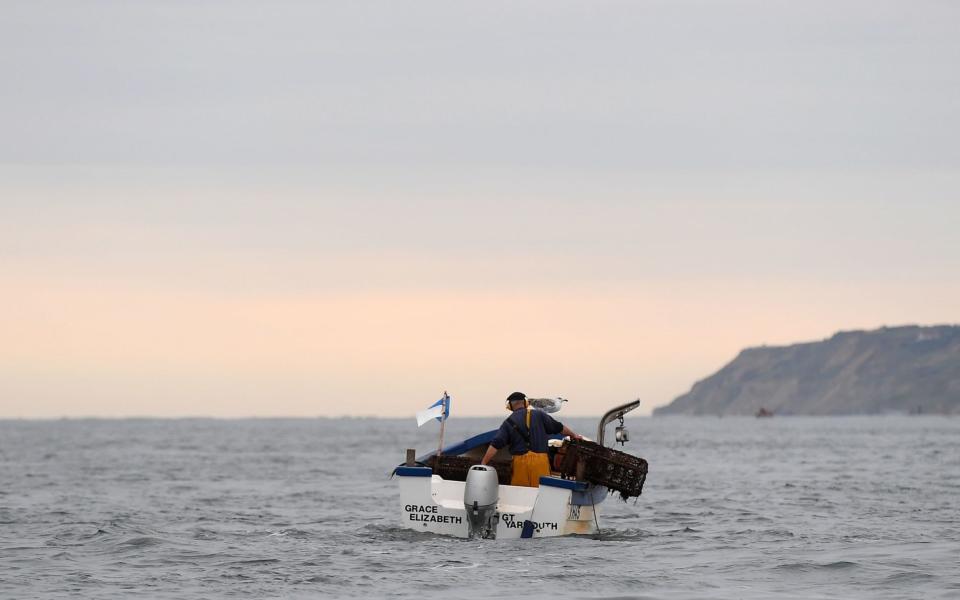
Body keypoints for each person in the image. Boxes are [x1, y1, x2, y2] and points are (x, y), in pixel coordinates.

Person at [480, 391, 582, 487]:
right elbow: (559, 427)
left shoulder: (508, 422)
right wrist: (574, 435)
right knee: (541, 494)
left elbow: (495, 444)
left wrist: (483, 463)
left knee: (521, 497)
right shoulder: (540, 415)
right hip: (540, 463)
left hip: (520, 465)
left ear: (509, 406)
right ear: (525, 403)